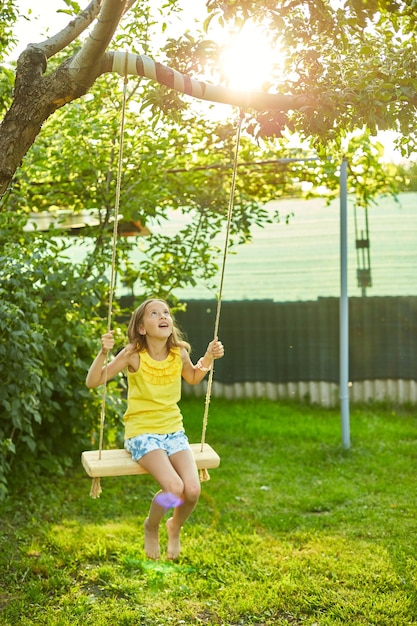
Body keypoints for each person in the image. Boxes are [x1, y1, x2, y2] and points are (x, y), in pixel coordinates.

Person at [86, 298, 224, 560]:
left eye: (166, 313)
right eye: (154, 313)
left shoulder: (179, 353)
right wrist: (103, 352)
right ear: (141, 327)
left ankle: (174, 526)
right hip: (142, 433)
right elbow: (93, 381)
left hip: (173, 431)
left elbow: (193, 377)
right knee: (174, 488)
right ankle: (152, 525)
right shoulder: (132, 355)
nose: (163, 317)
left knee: (192, 491)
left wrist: (207, 357)